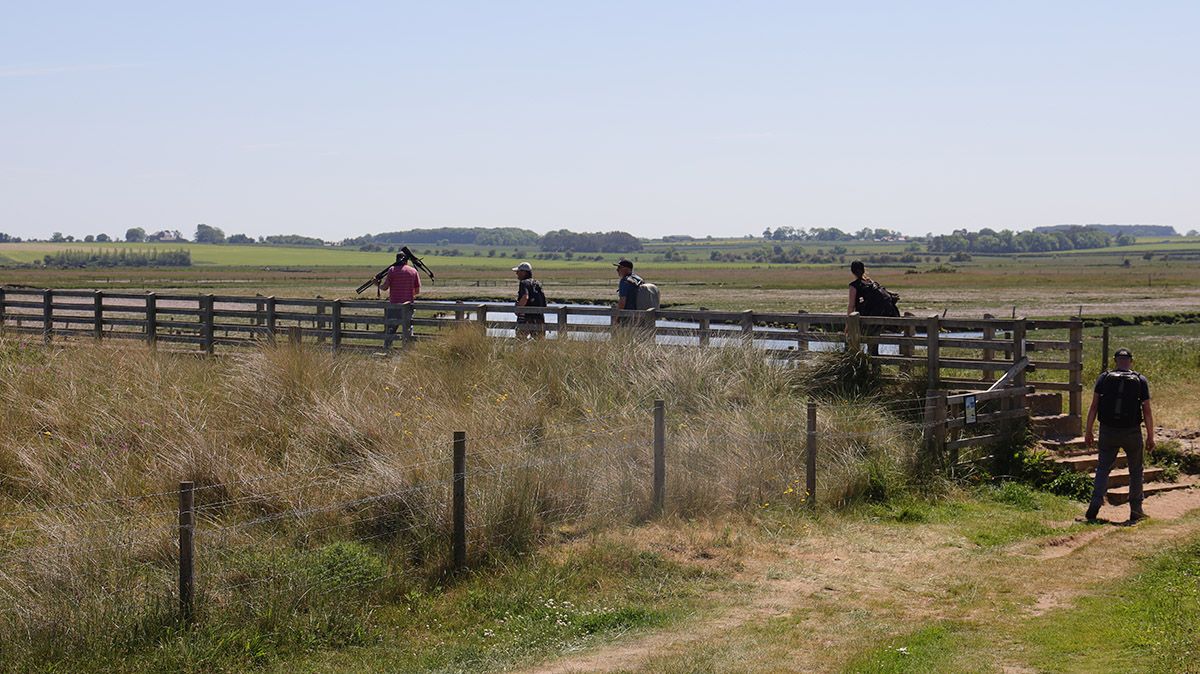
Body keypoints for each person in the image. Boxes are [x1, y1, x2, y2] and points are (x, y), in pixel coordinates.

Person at [1084, 347, 1154, 522]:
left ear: (1115, 360)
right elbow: (1147, 410)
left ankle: (1095, 503)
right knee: (1136, 471)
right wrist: (1151, 436)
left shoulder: (1104, 378)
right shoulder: (1140, 380)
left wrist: (1088, 431)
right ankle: (1136, 510)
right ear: (1131, 360)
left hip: (1108, 430)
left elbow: (1094, 406)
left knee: (1103, 468)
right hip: (1132, 431)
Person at [374, 252, 420, 348]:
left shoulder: (392, 270)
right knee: (408, 329)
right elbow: (417, 291)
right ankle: (409, 350)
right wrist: (407, 293)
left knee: (391, 329)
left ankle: (387, 349)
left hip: (394, 305)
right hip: (408, 306)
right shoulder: (413, 271)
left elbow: (385, 287)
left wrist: (377, 284)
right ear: (407, 261)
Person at [512, 261, 546, 339]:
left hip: (526, 318)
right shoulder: (536, 283)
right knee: (540, 342)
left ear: (523, 272)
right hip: (539, 317)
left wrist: (518, 309)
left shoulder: (524, 283)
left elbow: (525, 297)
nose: (516, 273)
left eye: (518, 271)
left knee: (520, 341)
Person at [613, 258, 643, 327]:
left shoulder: (624, 281)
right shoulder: (638, 279)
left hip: (627, 316)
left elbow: (622, 302)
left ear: (626, 269)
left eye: (619, 268)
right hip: (640, 316)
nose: (617, 270)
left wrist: (617, 317)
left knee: (624, 337)